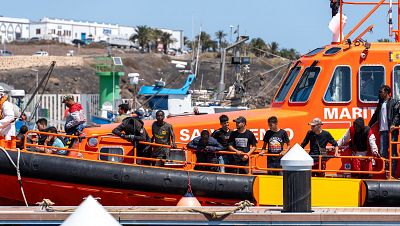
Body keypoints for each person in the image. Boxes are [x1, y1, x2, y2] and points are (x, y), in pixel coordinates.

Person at [368, 85, 400, 160]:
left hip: (392, 131)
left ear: (387, 92)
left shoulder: (394, 102)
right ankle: (386, 170)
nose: (379, 94)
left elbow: (397, 115)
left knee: (393, 151)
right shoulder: (380, 103)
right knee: (383, 152)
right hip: (382, 131)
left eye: (381, 92)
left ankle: (393, 170)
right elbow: (375, 116)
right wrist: (369, 125)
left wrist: (393, 124)